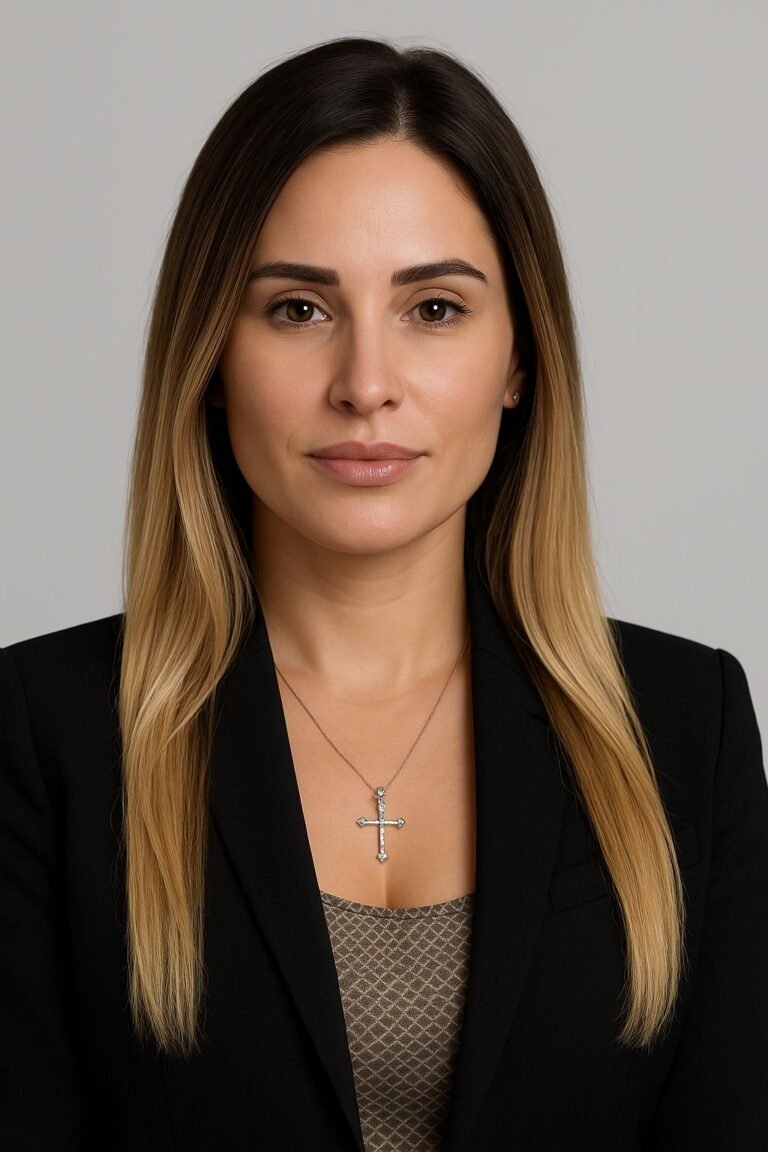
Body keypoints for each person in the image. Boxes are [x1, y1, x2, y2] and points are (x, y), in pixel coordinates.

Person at [1, 34, 766, 1152]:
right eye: (299, 309)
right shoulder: (44, 731)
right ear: (212, 352)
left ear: (520, 360)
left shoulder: (684, 725)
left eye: (435, 309)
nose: (366, 385)